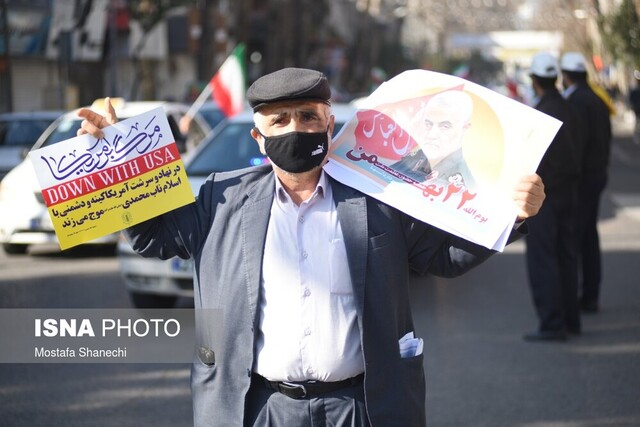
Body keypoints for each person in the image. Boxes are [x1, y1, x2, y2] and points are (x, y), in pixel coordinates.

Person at [77, 68, 545, 427]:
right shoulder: (220, 198)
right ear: (258, 138)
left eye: (307, 117)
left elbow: (441, 256)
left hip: (361, 407)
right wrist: (112, 158)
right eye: (279, 120)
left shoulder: (380, 197)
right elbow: (150, 236)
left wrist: (515, 215)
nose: (295, 129)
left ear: (328, 124)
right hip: (259, 407)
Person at [523, 52, 582, 341]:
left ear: (534, 81)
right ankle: (571, 320)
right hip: (569, 194)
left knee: (543, 259)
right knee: (566, 256)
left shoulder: (541, 112)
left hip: (546, 198)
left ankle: (552, 324)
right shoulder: (566, 106)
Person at [560, 52, 612, 314]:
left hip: (582, 179)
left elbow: (574, 145)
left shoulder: (574, 102)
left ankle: (574, 301)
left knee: (575, 238)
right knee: (589, 236)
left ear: (566, 76)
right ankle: (590, 295)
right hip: (598, 174)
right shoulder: (597, 99)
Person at [391, 90, 476, 190]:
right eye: (428, 124)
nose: (431, 134)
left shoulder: (461, 186)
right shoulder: (416, 157)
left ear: (464, 128)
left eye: (445, 126)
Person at [628, 70, 640, 144]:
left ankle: (636, 136)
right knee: (637, 122)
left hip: (636, 109)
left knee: (637, 122)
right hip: (637, 109)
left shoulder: (634, 90)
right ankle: (636, 135)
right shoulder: (634, 90)